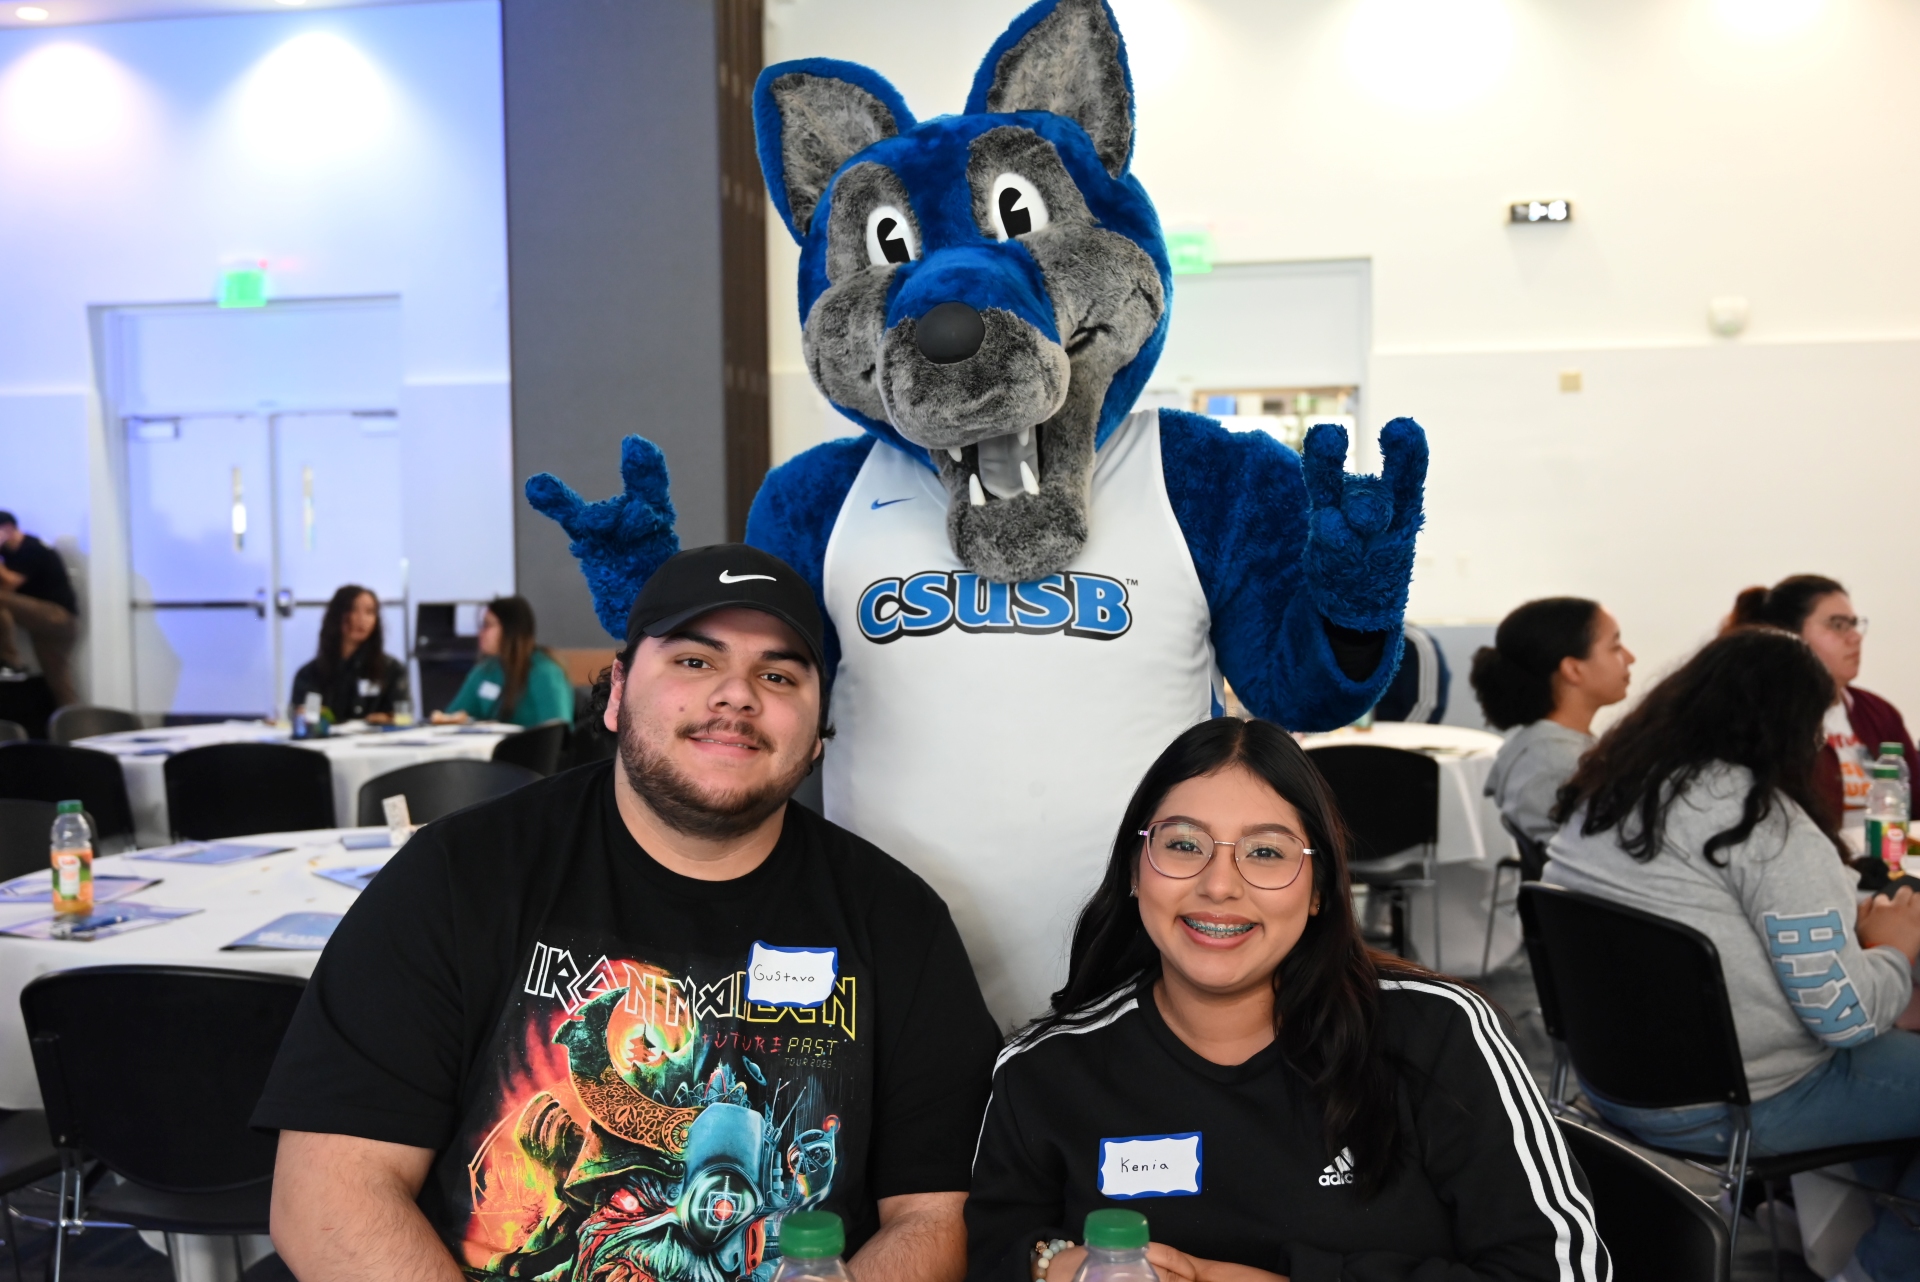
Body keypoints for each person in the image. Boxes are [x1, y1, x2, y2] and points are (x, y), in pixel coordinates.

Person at [255, 544, 1000, 1282]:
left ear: (815, 737)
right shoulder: (459, 878)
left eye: (777, 674)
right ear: (615, 692)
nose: (737, 695)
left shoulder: (899, 923)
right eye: (694, 662)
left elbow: (938, 1217)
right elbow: (327, 1196)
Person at [967, 717, 1606, 1282]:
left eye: (1266, 853)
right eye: (1184, 845)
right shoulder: (1045, 1070)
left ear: (1321, 889)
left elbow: (1560, 1268)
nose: (1219, 885)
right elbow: (988, 1249)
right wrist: (1048, 1263)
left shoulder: (1437, 1031)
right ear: (1136, 871)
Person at [1544, 627, 1920, 1280]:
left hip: (1611, 1084)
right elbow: (1847, 1018)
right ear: (1794, 726)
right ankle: (1878, 1268)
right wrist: (1895, 950)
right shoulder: (1762, 823)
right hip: (1737, 1104)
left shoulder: (1610, 796)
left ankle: (1828, 1225)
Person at [1729, 575, 1917, 854]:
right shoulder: (1762, 719)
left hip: (1884, 868)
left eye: (1854, 624)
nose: (1855, 637)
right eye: (1837, 625)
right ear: (1788, 635)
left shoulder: (1878, 712)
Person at [1470, 597, 1633, 845]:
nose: (1630, 657)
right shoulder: (1556, 763)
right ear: (1573, 669)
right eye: (1615, 647)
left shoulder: (1546, 744)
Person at [432, 595, 575, 728]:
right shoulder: (485, 670)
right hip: (490, 752)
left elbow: (558, 732)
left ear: (510, 629)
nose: (481, 632)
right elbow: (454, 717)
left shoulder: (544, 671)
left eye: (488, 625)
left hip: (532, 752)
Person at [289, 585, 407, 724]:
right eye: (352, 609)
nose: (361, 619)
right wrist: (310, 715)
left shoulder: (392, 669)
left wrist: (386, 718)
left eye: (369, 612)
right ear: (337, 615)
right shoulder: (310, 674)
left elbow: (402, 715)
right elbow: (308, 717)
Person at [0, 511, 79, 708]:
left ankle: (11, 662)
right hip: (50, 624)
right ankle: (75, 725)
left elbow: (10, 583)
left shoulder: (31, 548)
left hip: (56, 616)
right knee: (59, 682)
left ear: (8, 529)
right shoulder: (11, 552)